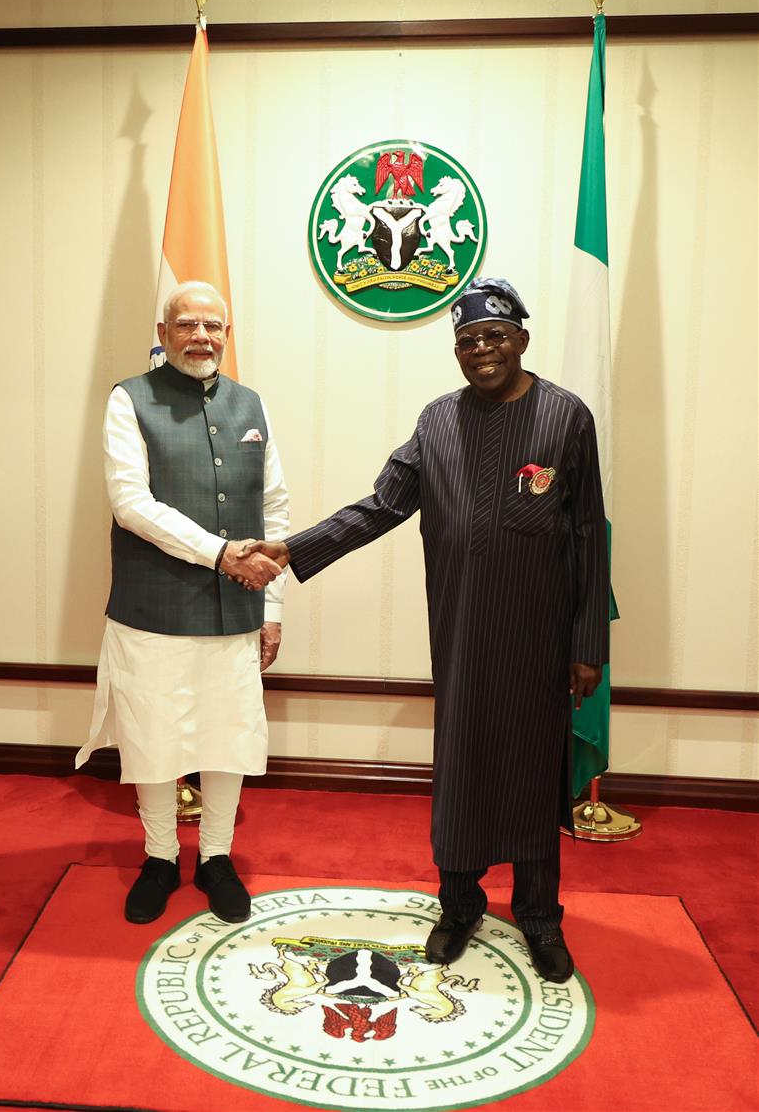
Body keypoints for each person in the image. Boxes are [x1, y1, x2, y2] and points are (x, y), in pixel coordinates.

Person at [241, 277, 608, 983]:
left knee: (533, 777)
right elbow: (382, 505)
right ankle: (459, 906)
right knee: (464, 772)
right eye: (467, 341)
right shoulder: (437, 421)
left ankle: (539, 917)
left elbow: (590, 533)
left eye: (494, 337)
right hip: (464, 633)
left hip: (541, 639)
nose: (480, 350)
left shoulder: (567, 417)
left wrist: (588, 644)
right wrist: (295, 547)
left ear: (522, 340)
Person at [76, 280, 289, 927]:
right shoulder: (128, 399)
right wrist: (221, 553)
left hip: (237, 611)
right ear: (164, 334)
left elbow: (274, 506)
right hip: (153, 612)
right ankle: (161, 858)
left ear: (227, 335)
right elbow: (131, 504)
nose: (202, 336)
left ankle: (216, 858)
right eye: (187, 324)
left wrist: (273, 604)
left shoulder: (250, 403)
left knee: (228, 739)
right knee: (154, 739)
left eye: (214, 326)